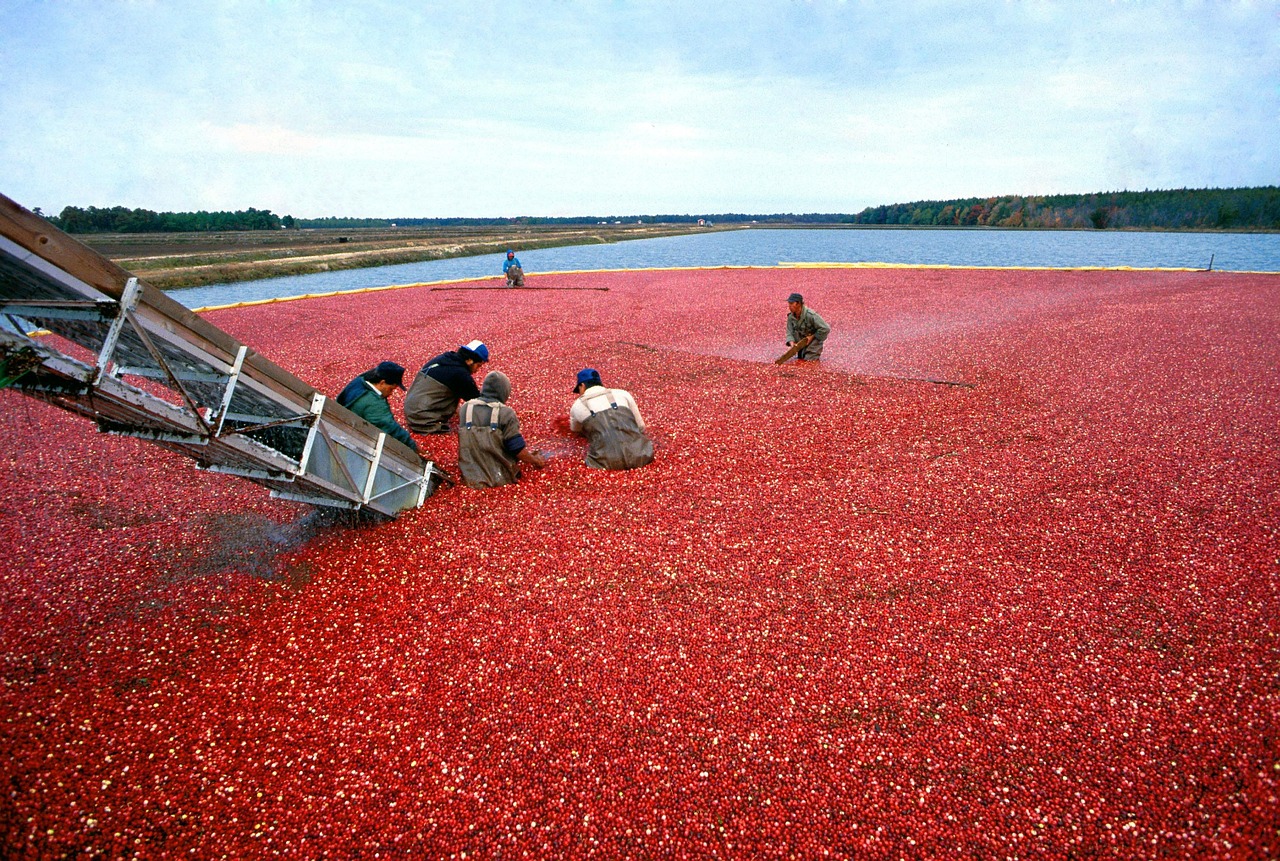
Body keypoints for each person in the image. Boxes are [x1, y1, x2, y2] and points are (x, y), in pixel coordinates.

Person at [456, 371, 546, 488]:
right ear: (504, 392)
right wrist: (535, 460)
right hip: (498, 477)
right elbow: (517, 449)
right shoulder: (505, 413)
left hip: (470, 477)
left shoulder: (465, 408)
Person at [569, 368, 654, 470]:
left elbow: (575, 429)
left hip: (603, 462)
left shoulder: (577, 406)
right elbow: (641, 427)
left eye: (579, 390)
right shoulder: (623, 394)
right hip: (641, 455)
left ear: (582, 385)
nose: (580, 394)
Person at [404, 340, 490, 434]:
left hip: (411, 409)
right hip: (422, 421)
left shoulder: (446, 358)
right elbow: (476, 400)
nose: (477, 370)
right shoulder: (460, 374)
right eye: (478, 365)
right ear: (470, 360)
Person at [335, 361, 419, 452]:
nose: (391, 393)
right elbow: (389, 427)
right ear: (382, 382)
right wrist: (413, 447)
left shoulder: (360, 381)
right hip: (354, 438)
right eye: (391, 389)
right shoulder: (372, 402)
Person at [785, 292, 831, 362]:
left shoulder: (811, 315)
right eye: (789, 304)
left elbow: (825, 328)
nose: (789, 306)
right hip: (801, 345)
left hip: (813, 346)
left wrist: (812, 336)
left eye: (791, 304)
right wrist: (792, 344)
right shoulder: (791, 317)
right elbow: (789, 332)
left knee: (809, 363)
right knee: (801, 361)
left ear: (798, 304)